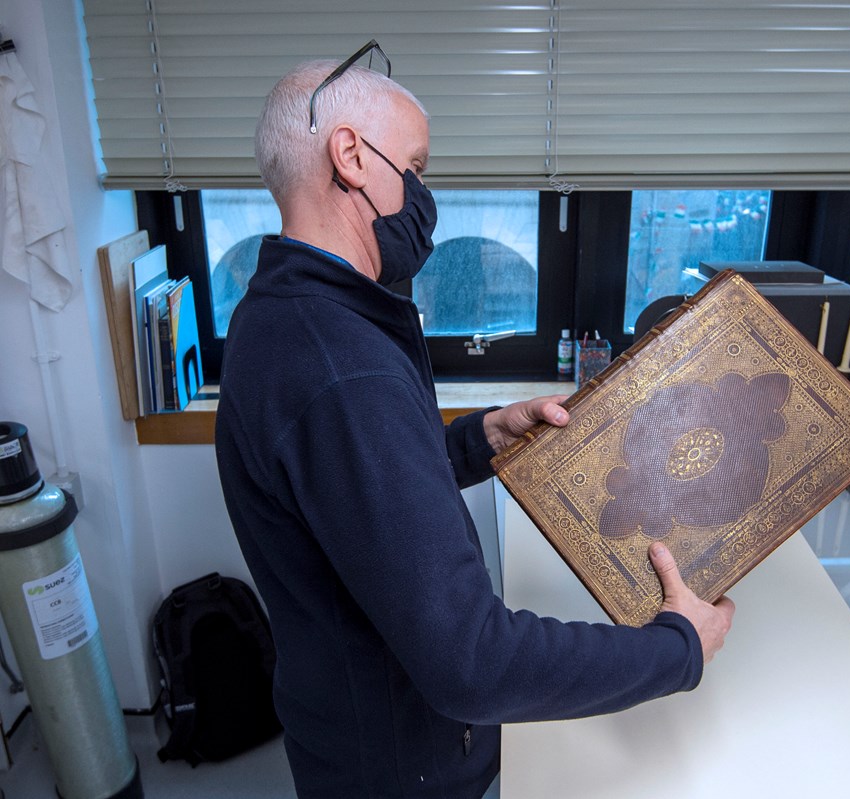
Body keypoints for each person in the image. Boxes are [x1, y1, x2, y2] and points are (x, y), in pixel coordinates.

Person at [214, 53, 735, 799]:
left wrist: (477, 437)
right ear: (352, 156)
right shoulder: (341, 366)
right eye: (417, 167)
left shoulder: (284, 312)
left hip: (352, 730)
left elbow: (354, 490)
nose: (426, 195)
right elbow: (472, 662)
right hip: (400, 769)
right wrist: (677, 648)